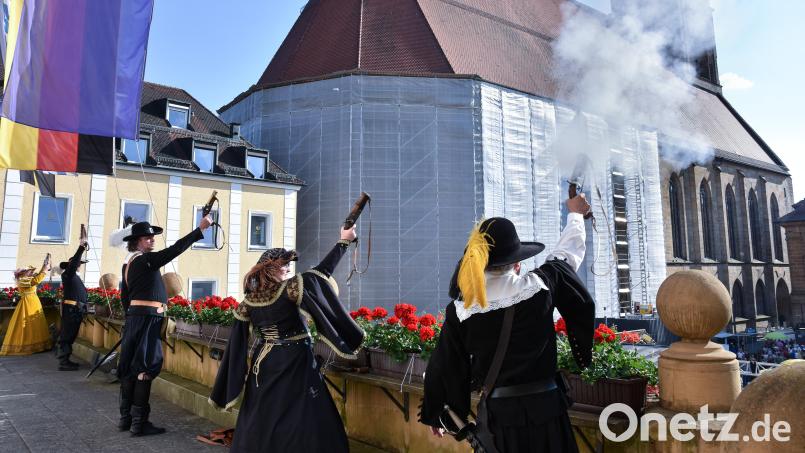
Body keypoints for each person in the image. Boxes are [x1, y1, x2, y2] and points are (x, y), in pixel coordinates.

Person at [419, 194, 596, 453]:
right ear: (517, 264)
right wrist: (576, 215)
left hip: (499, 423)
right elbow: (566, 256)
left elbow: (446, 365)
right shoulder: (541, 287)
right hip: (549, 414)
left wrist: (437, 413)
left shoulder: (462, 310)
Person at [210, 225, 364, 452]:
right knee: (304, 411)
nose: (288, 268)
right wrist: (344, 240)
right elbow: (322, 272)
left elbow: (237, 346)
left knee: (266, 411)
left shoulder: (248, 301)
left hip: (264, 363)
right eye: (284, 265)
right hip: (294, 360)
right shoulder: (289, 289)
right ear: (269, 269)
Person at [117, 216, 212, 436]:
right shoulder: (144, 260)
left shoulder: (129, 264)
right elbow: (175, 250)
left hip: (135, 318)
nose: (152, 240)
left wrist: (132, 318)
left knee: (130, 368)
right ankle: (139, 424)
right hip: (148, 320)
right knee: (144, 369)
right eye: (147, 238)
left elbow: (124, 297)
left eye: (152, 237)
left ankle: (126, 419)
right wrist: (199, 230)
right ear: (137, 242)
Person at [1, 254, 53, 355]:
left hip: (34, 302)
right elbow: (36, 280)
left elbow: (37, 277)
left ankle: (39, 346)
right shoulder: (22, 280)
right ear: (24, 273)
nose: (32, 272)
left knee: (36, 322)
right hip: (27, 304)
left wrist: (45, 265)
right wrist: (45, 270)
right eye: (30, 271)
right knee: (27, 324)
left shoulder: (27, 279)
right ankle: (26, 347)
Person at [56, 234, 90, 370]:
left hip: (76, 310)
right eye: (78, 263)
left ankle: (65, 360)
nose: (80, 265)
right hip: (71, 310)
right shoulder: (68, 274)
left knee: (70, 335)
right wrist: (81, 247)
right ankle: (64, 362)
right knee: (67, 335)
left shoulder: (74, 276)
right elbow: (74, 262)